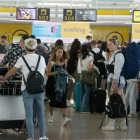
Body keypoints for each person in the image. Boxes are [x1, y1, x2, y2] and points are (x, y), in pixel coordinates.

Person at [1, 38, 48, 140]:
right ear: (35, 48)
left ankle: (31, 137)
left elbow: (12, 71)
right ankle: (42, 136)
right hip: (40, 90)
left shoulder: (22, 59)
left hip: (27, 90)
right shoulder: (41, 58)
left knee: (29, 114)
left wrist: (4, 78)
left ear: (25, 48)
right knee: (40, 113)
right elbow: (43, 72)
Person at [101, 38, 127, 131]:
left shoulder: (119, 55)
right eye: (108, 45)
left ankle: (112, 123)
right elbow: (108, 67)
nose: (109, 46)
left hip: (117, 80)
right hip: (115, 79)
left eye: (111, 44)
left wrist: (115, 82)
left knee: (114, 101)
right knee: (121, 101)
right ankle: (123, 124)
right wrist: (107, 57)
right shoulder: (114, 55)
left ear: (116, 45)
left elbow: (117, 70)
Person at [46, 46, 71, 126]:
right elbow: (48, 73)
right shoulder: (51, 62)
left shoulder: (64, 62)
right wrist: (55, 73)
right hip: (52, 84)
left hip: (62, 84)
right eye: (59, 52)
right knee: (52, 100)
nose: (60, 54)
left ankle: (65, 118)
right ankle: (51, 115)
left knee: (63, 100)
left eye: (61, 52)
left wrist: (68, 75)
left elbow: (65, 71)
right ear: (55, 52)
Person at [78, 44, 93, 113]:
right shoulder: (89, 57)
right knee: (87, 92)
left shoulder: (80, 57)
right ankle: (85, 109)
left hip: (81, 75)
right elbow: (90, 67)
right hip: (87, 74)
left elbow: (79, 68)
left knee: (82, 92)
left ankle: (81, 107)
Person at [67, 39, 81, 107]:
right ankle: (75, 102)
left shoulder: (69, 53)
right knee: (76, 86)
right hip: (76, 70)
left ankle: (68, 100)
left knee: (69, 86)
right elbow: (80, 62)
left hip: (69, 70)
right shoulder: (79, 53)